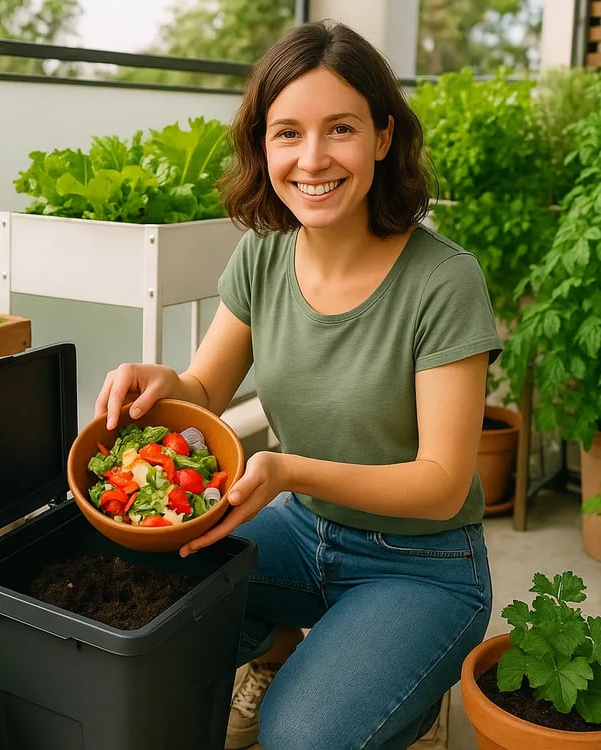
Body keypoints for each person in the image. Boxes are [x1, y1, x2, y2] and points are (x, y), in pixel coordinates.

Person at [95, 19, 501, 750]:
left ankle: (403, 699)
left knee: (301, 738)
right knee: (143, 595)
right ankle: (285, 646)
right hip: (302, 532)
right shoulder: (264, 253)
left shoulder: (444, 280)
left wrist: (284, 472)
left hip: (422, 563)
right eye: (287, 133)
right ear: (263, 146)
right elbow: (203, 390)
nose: (312, 159)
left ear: (382, 137)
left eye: (339, 129)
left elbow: (443, 482)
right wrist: (159, 380)